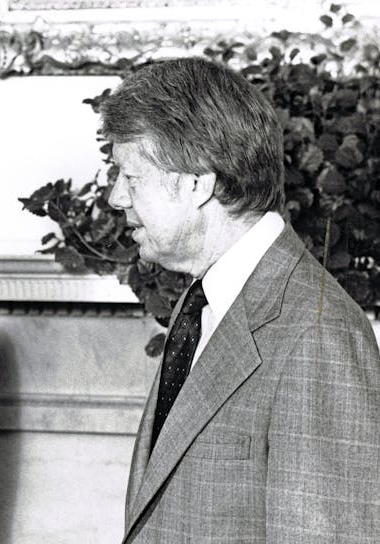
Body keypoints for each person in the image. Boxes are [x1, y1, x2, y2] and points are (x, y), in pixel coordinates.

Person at [102, 57, 380, 542]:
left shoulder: (320, 334)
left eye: (130, 177)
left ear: (197, 183)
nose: (115, 198)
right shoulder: (204, 301)